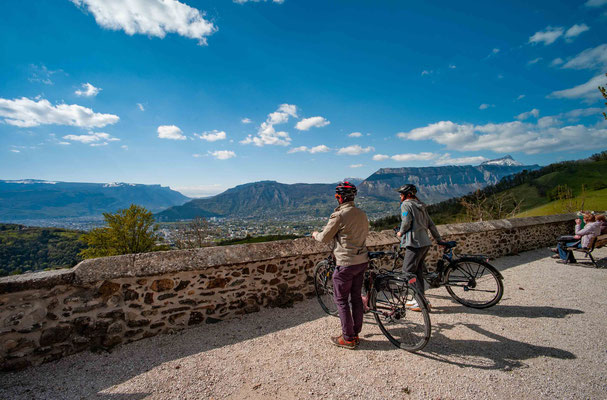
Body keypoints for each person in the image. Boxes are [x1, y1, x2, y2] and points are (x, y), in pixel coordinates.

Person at [313, 181, 368, 350]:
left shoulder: (339, 215)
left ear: (339, 198)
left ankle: (348, 338)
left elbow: (324, 238)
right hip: (361, 261)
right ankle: (355, 332)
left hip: (345, 263)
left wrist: (315, 234)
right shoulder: (362, 214)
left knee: (342, 300)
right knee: (357, 298)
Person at [396, 184, 443, 311]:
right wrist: (438, 239)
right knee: (418, 272)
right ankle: (421, 299)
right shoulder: (421, 205)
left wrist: (400, 232)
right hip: (425, 243)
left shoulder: (406, 204)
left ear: (408, 194)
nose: (400, 196)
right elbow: (431, 224)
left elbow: (406, 222)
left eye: (401, 194)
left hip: (414, 243)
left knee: (407, 272)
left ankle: (419, 301)